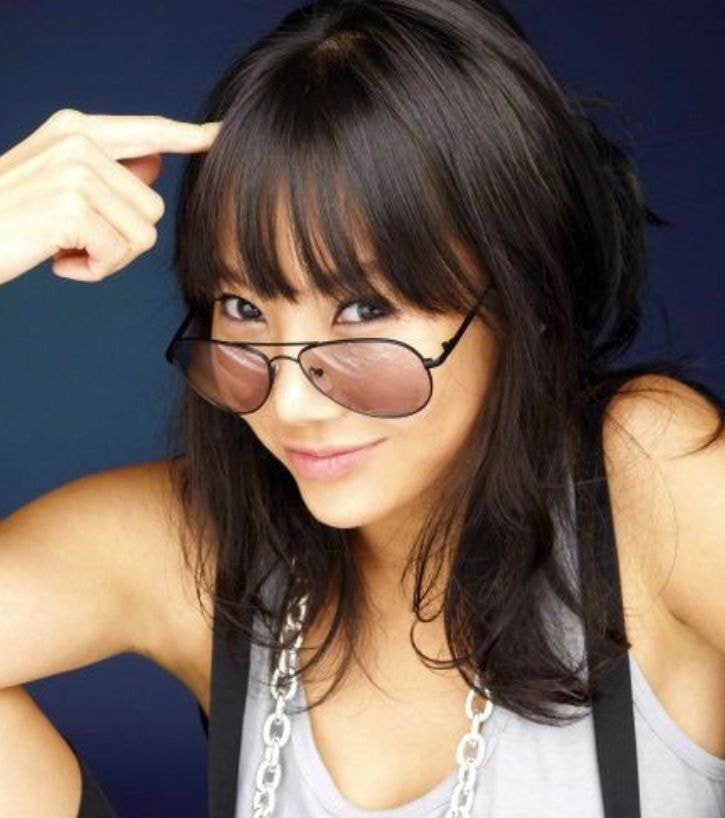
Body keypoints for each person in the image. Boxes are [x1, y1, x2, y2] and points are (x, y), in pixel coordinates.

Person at [1, 1, 724, 816]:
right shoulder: (191, 549)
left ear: (525, 297)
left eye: (363, 311)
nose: (292, 403)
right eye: (242, 308)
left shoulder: (644, 480)